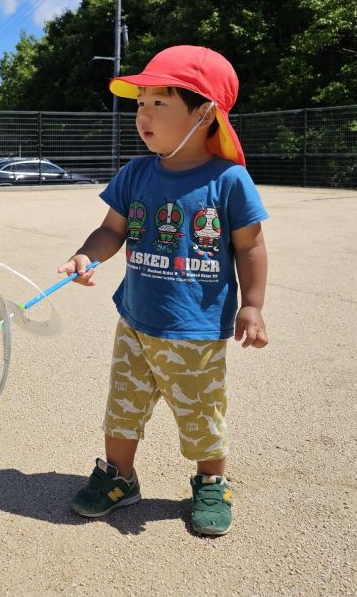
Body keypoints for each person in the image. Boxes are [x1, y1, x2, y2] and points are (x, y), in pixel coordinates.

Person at [61, 45, 268, 536]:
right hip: (134, 321)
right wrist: (86, 255)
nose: (143, 115)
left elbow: (251, 247)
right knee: (122, 407)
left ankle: (211, 481)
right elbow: (111, 230)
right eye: (140, 103)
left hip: (195, 331)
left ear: (204, 114)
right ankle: (118, 477)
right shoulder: (136, 173)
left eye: (159, 103)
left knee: (201, 414)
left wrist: (253, 304)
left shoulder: (229, 180)